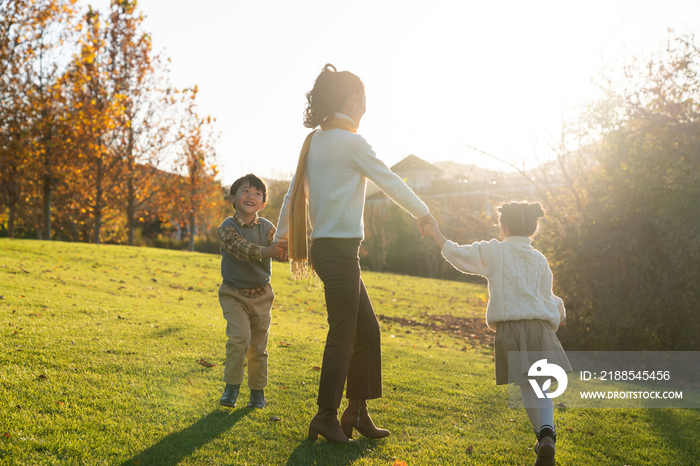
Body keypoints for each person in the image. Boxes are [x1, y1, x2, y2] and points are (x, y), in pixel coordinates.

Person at [274, 64, 436, 443]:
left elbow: (291, 193)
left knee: (367, 331)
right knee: (344, 332)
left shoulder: (314, 142)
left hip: (327, 251)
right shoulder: (351, 142)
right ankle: (326, 415)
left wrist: (283, 236)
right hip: (340, 252)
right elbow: (390, 181)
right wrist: (425, 213)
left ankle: (357, 411)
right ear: (353, 99)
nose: (366, 109)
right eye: (364, 101)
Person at [422, 202, 570, 466]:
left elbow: (458, 255)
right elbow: (544, 296)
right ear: (532, 230)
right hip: (541, 328)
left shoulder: (495, 251)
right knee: (542, 385)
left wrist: (435, 233)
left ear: (503, 227)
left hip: (511, 330)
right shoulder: (539, 259)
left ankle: (541, 438)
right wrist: (559, 308)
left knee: (526, 386)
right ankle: (547, 435)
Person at [217, 174, 287, 409]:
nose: (251, 196)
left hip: (262, 294)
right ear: (233, 198)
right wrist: (270, 251)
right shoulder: (227, 228)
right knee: (240, 338)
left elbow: (279, 246)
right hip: (233, 293)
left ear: (263, 203)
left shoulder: (267, 227)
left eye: (257, 193)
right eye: (245, 191)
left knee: (258, 346)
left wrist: (287, 251)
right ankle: (232, 387)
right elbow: (242, 249)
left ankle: (257, 393)